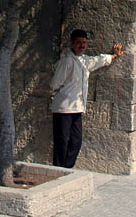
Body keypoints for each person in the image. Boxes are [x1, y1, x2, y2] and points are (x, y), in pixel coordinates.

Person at [50, 29, 123, 168]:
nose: (82, 45)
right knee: (62, 141)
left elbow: (98, 60)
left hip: (77, 108)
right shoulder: (66, 61)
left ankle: (66, 167)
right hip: (63, 108)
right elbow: (55, 83)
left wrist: (114, 55)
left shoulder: (84, 61)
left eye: (84, 42)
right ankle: (59, 168)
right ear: (72, 43)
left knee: (76, 141)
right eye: (79, 42)